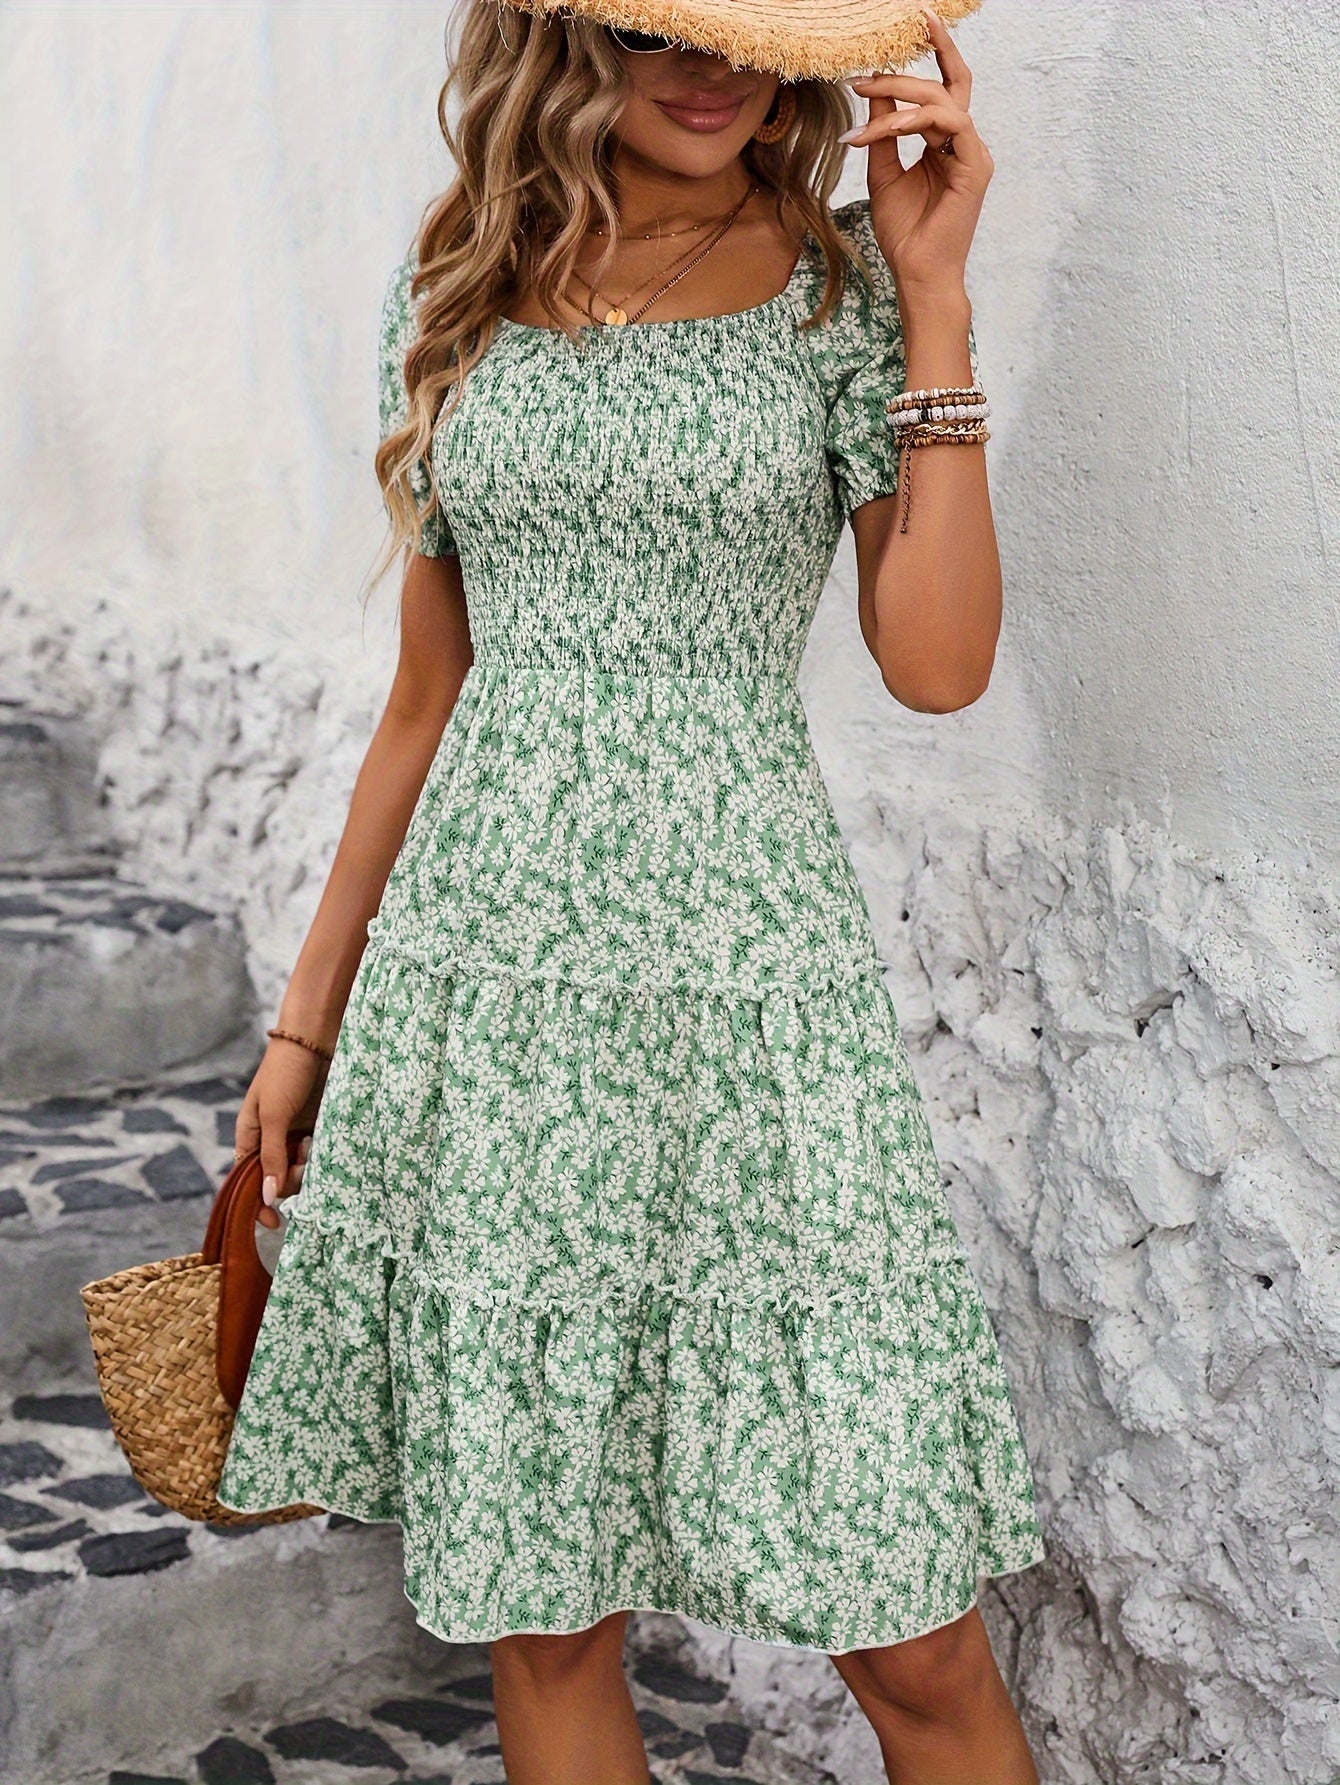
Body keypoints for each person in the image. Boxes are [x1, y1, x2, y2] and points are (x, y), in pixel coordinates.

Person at [216, 2, 1047, 1779]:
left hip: (748, 990)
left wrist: (937, 297)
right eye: (661, 22)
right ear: (564, 35)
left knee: (914, 1637)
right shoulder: (458, 285)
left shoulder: (844, 291)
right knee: (548, 1606)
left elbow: (939, 665)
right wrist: (307, 1024)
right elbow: (425, 699)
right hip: (492, 992)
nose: (713, 66)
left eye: (745, 27)